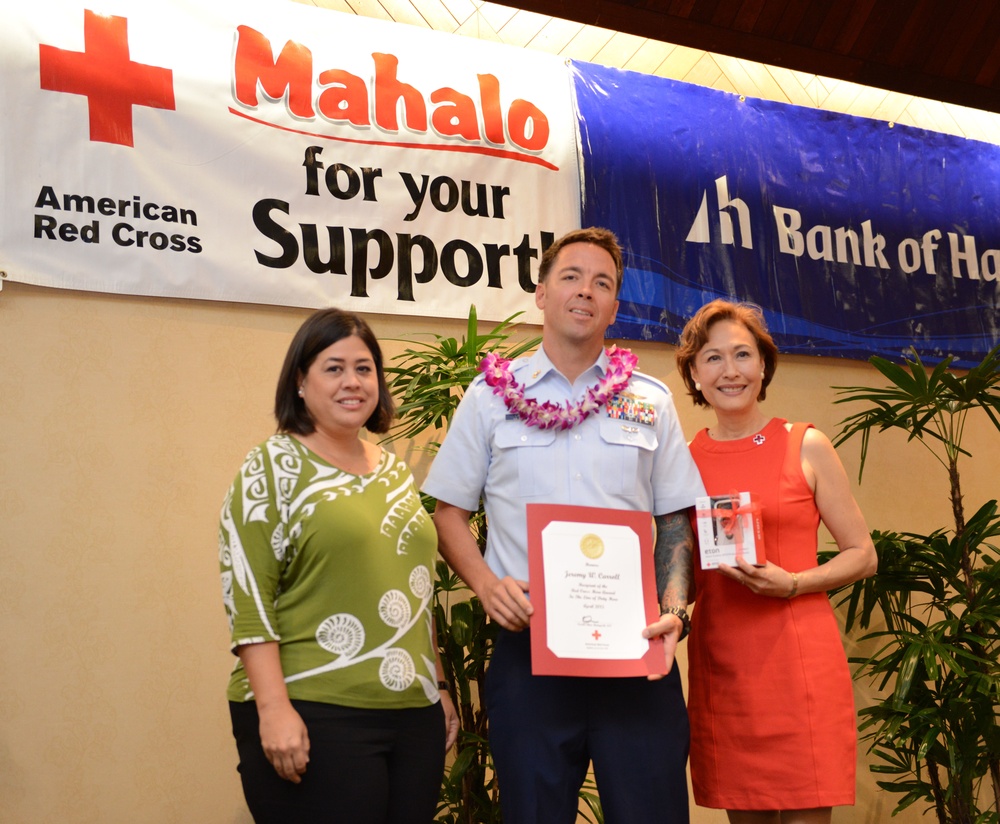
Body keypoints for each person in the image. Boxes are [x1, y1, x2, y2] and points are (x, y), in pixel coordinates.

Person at [423, 227, 705, 824]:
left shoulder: (649, 400)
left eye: (602, 283)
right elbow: (448, 511)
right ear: (541, 294)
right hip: (530, 650)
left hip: (636, 650)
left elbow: (676, 516)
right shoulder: (490, 398)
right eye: (571, 277)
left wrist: (676, 610)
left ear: (615, 308)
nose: (586, 291)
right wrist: (485, 585)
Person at [218, 308, 459, 824]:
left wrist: (436, 685)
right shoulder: (270, 466)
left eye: (365, 368)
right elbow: (249, 598)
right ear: (300, 382)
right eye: (333, 368)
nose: (352, 381)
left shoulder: (392, 470)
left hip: (412, 714)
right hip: (315, 706)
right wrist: (273, 709)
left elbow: (414, 588)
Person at [674, 299, 878, 824]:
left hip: (801, 666)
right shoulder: (683, 462)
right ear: (694, 375)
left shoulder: (805, 444)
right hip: (725, 670)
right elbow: (682, 572)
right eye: (713, 358)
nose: (731, 371)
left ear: (763, 366)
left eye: (743, 354)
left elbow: (863, 555)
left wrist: (793, 583)